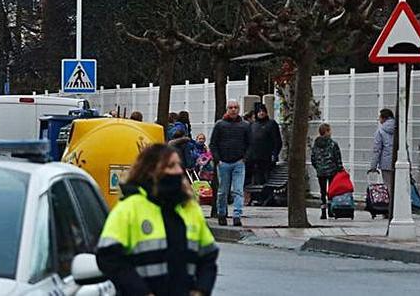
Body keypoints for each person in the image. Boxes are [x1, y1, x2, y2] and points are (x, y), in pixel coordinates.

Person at [97, 144, 217, 296]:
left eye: (179, 165)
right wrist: (140, 291)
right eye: (171, 166)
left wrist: (201, 290)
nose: (179, 171)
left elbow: (208, 256)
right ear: (152, 171)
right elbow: (109, 257)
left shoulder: (190, 208)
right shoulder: (129, 209)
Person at [208, 100, 250, 226]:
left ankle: (237, 215)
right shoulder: (220, 125)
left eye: (236, 107)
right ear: (227, 109)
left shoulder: (245, 125)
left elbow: (250, 143)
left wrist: (245, 158)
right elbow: (213, 144)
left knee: (238, 190)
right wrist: (218, 160)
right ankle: (222, 213)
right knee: (223, 191)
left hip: (238, 162)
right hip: (223, 162)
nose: (233, 110)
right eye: (231, 107)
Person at [310, 123, 344, 220]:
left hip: (321, 171)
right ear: (327, 132)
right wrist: (340, 169)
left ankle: (323, 212)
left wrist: (318, 167)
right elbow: (337, 157)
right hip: (332, 170)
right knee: (331, 191)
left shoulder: (316, 144)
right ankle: (330, 210)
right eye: (329, 130)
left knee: (322, 192)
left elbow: (313, 158)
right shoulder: (333, 144)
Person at [246, 103, 282, 189]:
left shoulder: (271, 124)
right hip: (254, 158)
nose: (261, 113)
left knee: (267, 180)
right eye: (259, 111)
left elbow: (277, 141)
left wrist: (275, 154)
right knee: (256, 180)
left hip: (267, 158)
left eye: (263, 111)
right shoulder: (252, 125)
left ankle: (266, 198)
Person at [369, 109, 398, 217]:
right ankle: (399, 209)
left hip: (386, 162)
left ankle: (390, 210)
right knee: (398, 185)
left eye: (380, 117)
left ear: (384, 118)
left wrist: (373, 166)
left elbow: (377, 150)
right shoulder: (399, 129)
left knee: (389, 186)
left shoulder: (380, 131)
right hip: (399, 160)